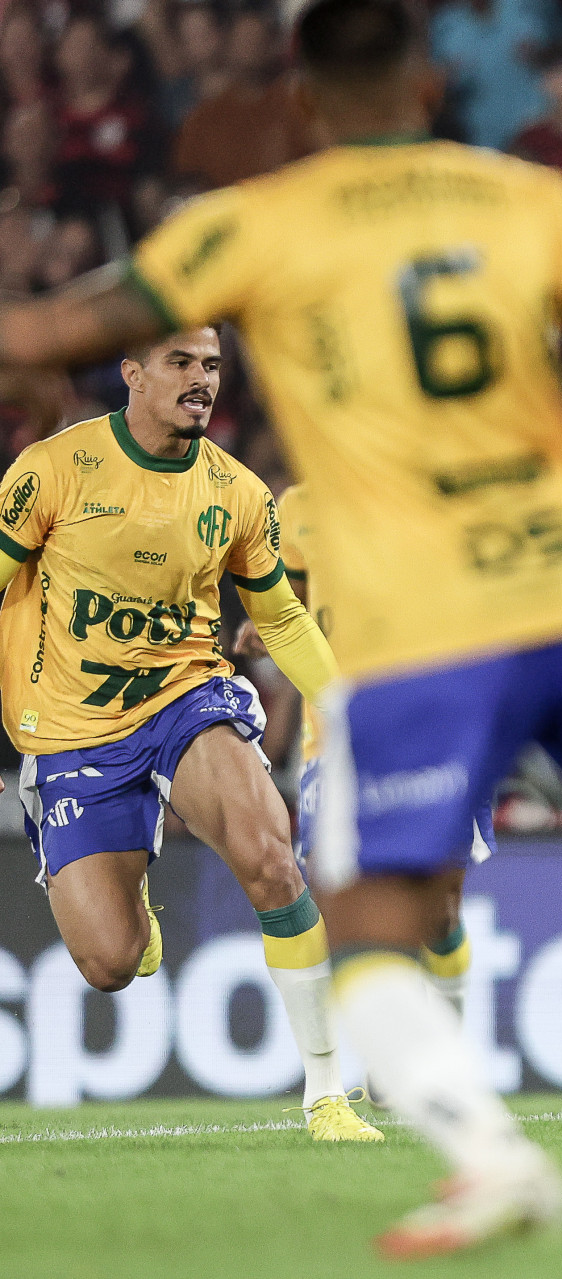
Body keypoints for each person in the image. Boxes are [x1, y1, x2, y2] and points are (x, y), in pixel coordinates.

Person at [0, 0, 562, 1258]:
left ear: (302, 101)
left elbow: (43, 334)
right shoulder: (534, 201)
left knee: (365, 937)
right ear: (426, 87)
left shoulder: (255, 226)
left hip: (422, 630)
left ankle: (494, 1159)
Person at [0, 327, 379, 1144]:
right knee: (109, 962)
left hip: (185, 695)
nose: (201, 378)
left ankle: (327, 1094)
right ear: (132, 373)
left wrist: (349, 708)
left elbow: (282, 617)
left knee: (271, 857)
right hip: (71, 730)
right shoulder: (53, 470)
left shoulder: (237, 491)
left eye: (211, 365)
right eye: (180, 363)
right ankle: (132, 889)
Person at [237, 483, 492, 1017]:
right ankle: (375, 1043)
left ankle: (444, 1036)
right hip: (336, 732)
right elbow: (292, 606)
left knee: (440, 911)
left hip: (435, 722)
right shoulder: (297, 506)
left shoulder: (430, 486)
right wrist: (270, 629)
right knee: (341, 903)